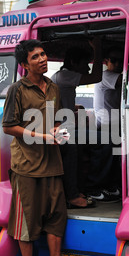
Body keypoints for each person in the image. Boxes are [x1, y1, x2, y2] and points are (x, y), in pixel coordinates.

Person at [2, 39, 83, 256]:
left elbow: (57, 120)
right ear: (25, 64)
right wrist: (43, 137)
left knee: (56, 218)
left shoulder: (54, 87)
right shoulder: (17, 89)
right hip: (26, 167)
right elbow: (9, 126)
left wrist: (59, 130)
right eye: (35, 57)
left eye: (43, 54)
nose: (42, 59)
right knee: (27, 221)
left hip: (53, 164)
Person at [51, 39, 102, 208]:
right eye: (85, 64)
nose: (87, 68)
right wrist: (98, 49)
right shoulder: (66, 75)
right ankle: (94, 187)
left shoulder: (58, 77)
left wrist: (74, 107)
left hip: (64, 126)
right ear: (73, 62)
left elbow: (59, 103)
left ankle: (80, 188)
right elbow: (97, 76)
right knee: (106, 141)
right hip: (64, 130)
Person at [89, 46, 124, 200]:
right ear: (106, 62)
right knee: (105, 158)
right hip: (106, 125)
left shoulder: (115, 76)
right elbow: (125, 83)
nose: (117, 64)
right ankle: (94, 188)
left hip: (115, 124)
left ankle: (111, 187)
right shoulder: (106, 76)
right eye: (114, 60)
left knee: (115, 157)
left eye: (120, 61)